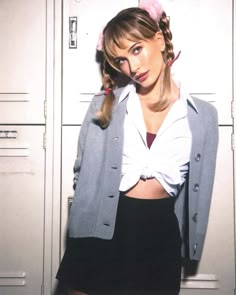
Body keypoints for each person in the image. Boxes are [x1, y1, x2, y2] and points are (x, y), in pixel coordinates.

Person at [56, 0, 219, 294]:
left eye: (136, 49)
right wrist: (81, 249)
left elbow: (199, 191)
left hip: (162, 238)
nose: (132, 67)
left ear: (158, 40)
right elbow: (83, 182)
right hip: (102, 234)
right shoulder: (103, 107)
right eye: (120, 60)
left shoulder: (203, 117)